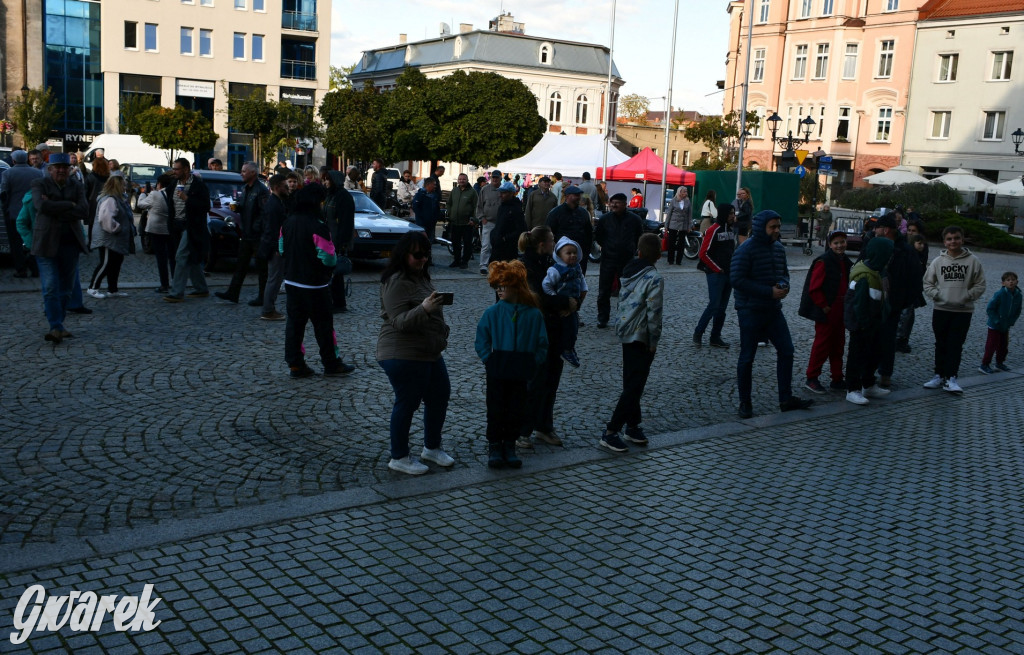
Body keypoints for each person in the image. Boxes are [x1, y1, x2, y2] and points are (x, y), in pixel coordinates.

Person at [377, 231, 454, 476]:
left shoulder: (420, 276)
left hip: (428, 351)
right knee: (407, 402)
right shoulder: (396, 281)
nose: (423, 260)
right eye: (418, 255)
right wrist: (425, 308)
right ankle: (398, 456)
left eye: (426, 255)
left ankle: (431, 447)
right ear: (404, 255)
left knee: (439, 396)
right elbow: (399, 321)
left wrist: (441, 328)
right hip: (402, 353)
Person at [730, 210, 815, 418]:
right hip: (750, 310)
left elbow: (783, 272)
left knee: (786, 350)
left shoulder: (778, 248)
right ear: (762, 228)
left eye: (778, 226)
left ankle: (785, 399)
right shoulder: (745, 249)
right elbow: (736, 279)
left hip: (773, 310)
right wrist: (768, 291)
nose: (777, 231)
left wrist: (783, 285)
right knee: (747, 357)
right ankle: (745, 402)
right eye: (773, 227)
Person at [476, 260, 548, 469]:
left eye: (503, 286)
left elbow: (542, 342)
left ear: (516, 286)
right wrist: (488, 359)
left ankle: (509, 445)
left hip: (521, 367)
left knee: (516, 408)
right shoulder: (493, 313)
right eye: (497, 286)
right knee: (496, 408)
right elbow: (482, 338)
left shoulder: (533, 315)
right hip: (498, 366)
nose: (499, 290)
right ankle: (495, 445)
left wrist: (534, 361)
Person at [280, 183, 354, 379]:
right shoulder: (318, 226)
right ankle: (331, 363)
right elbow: (329, 258)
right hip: (315, 285)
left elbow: (281, 249)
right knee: (323, 326)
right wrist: (328, 268)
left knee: (294, 325)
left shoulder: (287, 222)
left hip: (292, 282)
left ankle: (295, 364)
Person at [598, 233, 664, 454]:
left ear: (639, 251)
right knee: (635, 385)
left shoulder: (629, 271)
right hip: (641, 334)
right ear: (658, 254)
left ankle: (633, 426)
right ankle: (611, 431)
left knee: (632, 381)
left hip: (625, 330)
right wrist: (654, 340)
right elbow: (654, 312)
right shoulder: (654, 278)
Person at [517, 226, 574, 450]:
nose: (554, 245)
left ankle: (543, 425)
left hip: (555, 330)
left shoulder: (550, 263)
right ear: (542, 244)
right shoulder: (526, 266)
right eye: (552, 240)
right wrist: (564, 302)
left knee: (551, 380)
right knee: (534, 382)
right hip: (536, 332)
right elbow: (537, 297)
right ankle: (523, 430)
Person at [28, 153, 90, 343]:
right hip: (46, 242)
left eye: (65, 167)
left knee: (67, 289)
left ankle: (59, 324)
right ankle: (55, 325)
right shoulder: (39, 184)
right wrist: (69, 205)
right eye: (58, 167)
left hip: (70, 242)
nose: (62, 170)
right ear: (50, 169)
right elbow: (41, 206)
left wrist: (54, 205)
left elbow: (83, 210)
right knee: (50, 286)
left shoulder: (77, 185)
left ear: (69, 169)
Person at [921, 225, 986, 394]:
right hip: (941, 309)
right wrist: (937, 294)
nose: (953, 242)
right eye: (949, 239)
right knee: (940, 344)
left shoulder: (973, 261)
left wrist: (968, 295)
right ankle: (938, 375)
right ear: (944, 242)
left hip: (962, 311)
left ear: (962, 239)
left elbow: (980, 284)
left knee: (955, 345)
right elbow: (927, 283)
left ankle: (951, 378)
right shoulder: (937, 262)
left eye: (956, 238)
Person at [798, 230, 853, 394]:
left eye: (842, 242)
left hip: (840, 308)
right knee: (822, 345)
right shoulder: (824, 261)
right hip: (828, 309)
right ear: (830, 245)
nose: (840, 245)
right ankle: (812, 377)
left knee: (838, 344)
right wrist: (824, 306)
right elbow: (814, 289)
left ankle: (837, 378)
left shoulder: (845, 261)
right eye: (836, 243)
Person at [843, 237, 894, 405]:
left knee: (874, 353)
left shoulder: (877, 271)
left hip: (874, 323)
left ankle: (868, 383)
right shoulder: (864, 276)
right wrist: (865, 325)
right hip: (862, 325)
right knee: (857, 356)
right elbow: (859, 305)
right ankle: (853, 389)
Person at [215, 162, 269, 305]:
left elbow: (264, 213)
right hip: (246, 233)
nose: (241, 173)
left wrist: (256, 228)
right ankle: (233, 293)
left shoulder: (261, 190)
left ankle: (263, 297)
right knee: (241, 265)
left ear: (253, 173)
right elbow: (244, 207)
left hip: (256, 235)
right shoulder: (245, 188)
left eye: (244, 171)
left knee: (261, 267)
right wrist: (237, 207)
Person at [163, 158, 212, 303]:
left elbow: (205, 207)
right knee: (191, 257)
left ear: (186, 169)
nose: (174, 171)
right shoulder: (173, 185)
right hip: (176, 226)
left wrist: (187, 199)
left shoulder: (198, 186)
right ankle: (201, 288)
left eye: (177, 169)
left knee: (181, 256)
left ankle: (177, 292)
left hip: (192, 226)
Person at [593, 193, 643, 328]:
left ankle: (623, 317)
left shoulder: (634, 220)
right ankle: (602, 318)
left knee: (625, 290)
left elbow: (639, 236)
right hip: (608, 258)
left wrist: (631, 248)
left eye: (617, 203)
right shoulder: (605, 219)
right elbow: (599, 236)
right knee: (604, 290)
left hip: (626, 260)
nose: (614, 205)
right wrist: (608, 247)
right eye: (612, 202)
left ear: (625, 204)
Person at [693, 202, 737, 348]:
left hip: (728, 274)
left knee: (722, 308)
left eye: (733, 213)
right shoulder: (714, 230)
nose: (733, 216)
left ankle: (715, 337)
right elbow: (703, 253)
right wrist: (717, 269)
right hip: (715, 274)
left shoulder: (731, 230)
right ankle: (698, 333)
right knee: (714, 305)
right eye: (730, 213)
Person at [87, 175, 135, 299]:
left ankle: (112, 289)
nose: (125, 187)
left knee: (116, 263)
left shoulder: (118, 199)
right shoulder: (110, 200)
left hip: (115, 238)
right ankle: (93, 287)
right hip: (108, 238)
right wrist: (117, 228)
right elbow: (105, 219)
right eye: (123, 185)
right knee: (106, 263)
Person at [542, 237, 588, 368]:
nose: (572, 255)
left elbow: (582, 282)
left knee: (574, 326)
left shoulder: (577, 267)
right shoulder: (556, 270)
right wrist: (555, 297)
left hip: (573, 303)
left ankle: (570, 347)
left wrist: (582, 294)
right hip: (562, 303)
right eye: (568, 253)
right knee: (567, 326)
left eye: (574, 253)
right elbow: (546, 285)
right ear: (559, 255)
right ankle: (566, 349)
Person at [0, 149, 43, 278]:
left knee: (15, 243)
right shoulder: (37, 173)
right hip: (33, 211)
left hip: (14, 212)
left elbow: (4, 193)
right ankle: (36, 268)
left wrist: (5, 208)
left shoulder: (8, 173)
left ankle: (21, 269)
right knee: (33, 239)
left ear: (13, 161)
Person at [321, 167, 355, 314]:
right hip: (328, 239)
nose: (325, 182)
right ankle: (334, 301)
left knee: (337, 273)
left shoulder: (343, 196)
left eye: (328, 179)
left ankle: (339, 303)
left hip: (338, 241)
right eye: (325, 179)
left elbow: (346, 222)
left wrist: (342, 243)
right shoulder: (330, 195)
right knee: (332, 273)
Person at [257, 173, 290, 320]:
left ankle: (269, 308)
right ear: (277, 187)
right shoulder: (274, 204)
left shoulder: (276, 202)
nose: (287, 188)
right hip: (275, 247)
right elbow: (272, 229)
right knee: (274, 279)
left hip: (274, 245)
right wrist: (277, 248)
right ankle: (268, 310)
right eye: (285, 186)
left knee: (274, 278)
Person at [895, 220, 929, 353]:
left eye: (913, 231)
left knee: (909, 314)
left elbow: (922, 266)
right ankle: (898, 339)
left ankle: (903, 340)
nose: (910, 233)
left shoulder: (922, 246)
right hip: (902, 285)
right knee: (903, 314)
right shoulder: (903, 244)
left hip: (913, 286)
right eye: (909, 230)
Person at [979, 271, 1021, 374]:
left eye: (1013, 280)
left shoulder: (1018, 295)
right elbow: (990, 308)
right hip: (995, 325)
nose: (1011, 282)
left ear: (1017, 282)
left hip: (1005, 325)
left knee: (1003, 345)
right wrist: (997, 320)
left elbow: (1018, 310)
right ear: (1003, 283)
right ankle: (984, 365)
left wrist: (1011, 321)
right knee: (991, 345)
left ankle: (999, 363)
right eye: (1008, 280)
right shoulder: (1000, 294)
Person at [547, 185, 594, 275]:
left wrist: (587, 250)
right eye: (575, 195)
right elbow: (549, 232)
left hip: (579, 254)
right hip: (561, 254)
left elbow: (588, 232)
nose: (578, 197)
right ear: (567, 196)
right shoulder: (556, 212)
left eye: (579, 195)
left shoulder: (583, 213)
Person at [490, 181, 527, 264]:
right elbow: (499, 225)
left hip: (508, 248)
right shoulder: (502, 206)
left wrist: (505, 238)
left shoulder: (516, 208)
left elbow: (521, 229)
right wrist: (493, 235)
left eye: (503, 193)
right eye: (500, 192)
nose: (500, 195)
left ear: (511, 193)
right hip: (497, 246)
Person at [447, 173, 477, 269]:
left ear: (467, 180)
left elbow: (476, 207)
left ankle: (465, 261)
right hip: (455, 222)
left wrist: (474, 219)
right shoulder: (454, 191)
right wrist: (450, 213)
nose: (461, 181)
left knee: (467, 243)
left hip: (467, 223)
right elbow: (449, 203)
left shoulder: (472, 192)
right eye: (460, 179)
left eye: (464, 179)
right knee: (455, 243)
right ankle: (456, 260)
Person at [476, 170, 503, 274]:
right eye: (493, 178)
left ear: (500, 178)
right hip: (488, 222)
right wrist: (482, 218)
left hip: (501, 223)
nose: (495, 179)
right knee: (486, 245)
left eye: (497, 178)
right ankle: (483, 265)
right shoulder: (485, 189)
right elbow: (479, 206)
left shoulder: (504, 190)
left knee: (498, 245)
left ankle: (498, 265)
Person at [665, 186, 692, 265]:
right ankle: (670, 260)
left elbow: (689, 215)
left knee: (681, 244)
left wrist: (689, 226)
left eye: (686, 192)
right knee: (671, 243)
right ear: (680, 192)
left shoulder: (688, 201)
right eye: (684, 192)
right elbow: (669, 213)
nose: (686, 193)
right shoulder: (673, 200)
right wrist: (666, 225)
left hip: (683, 225)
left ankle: (679, 260)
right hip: (673, 224)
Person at [412, 177, 440, 242]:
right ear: (428, 185)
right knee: (421, 242)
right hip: (422, 224)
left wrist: (435, 218)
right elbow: (415, 207)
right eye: (434, 184)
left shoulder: (434, 195)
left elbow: (436, 208)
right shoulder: (420, 194)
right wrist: (423, 218)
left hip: (431, 224)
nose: (435, 186)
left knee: (429, 242)